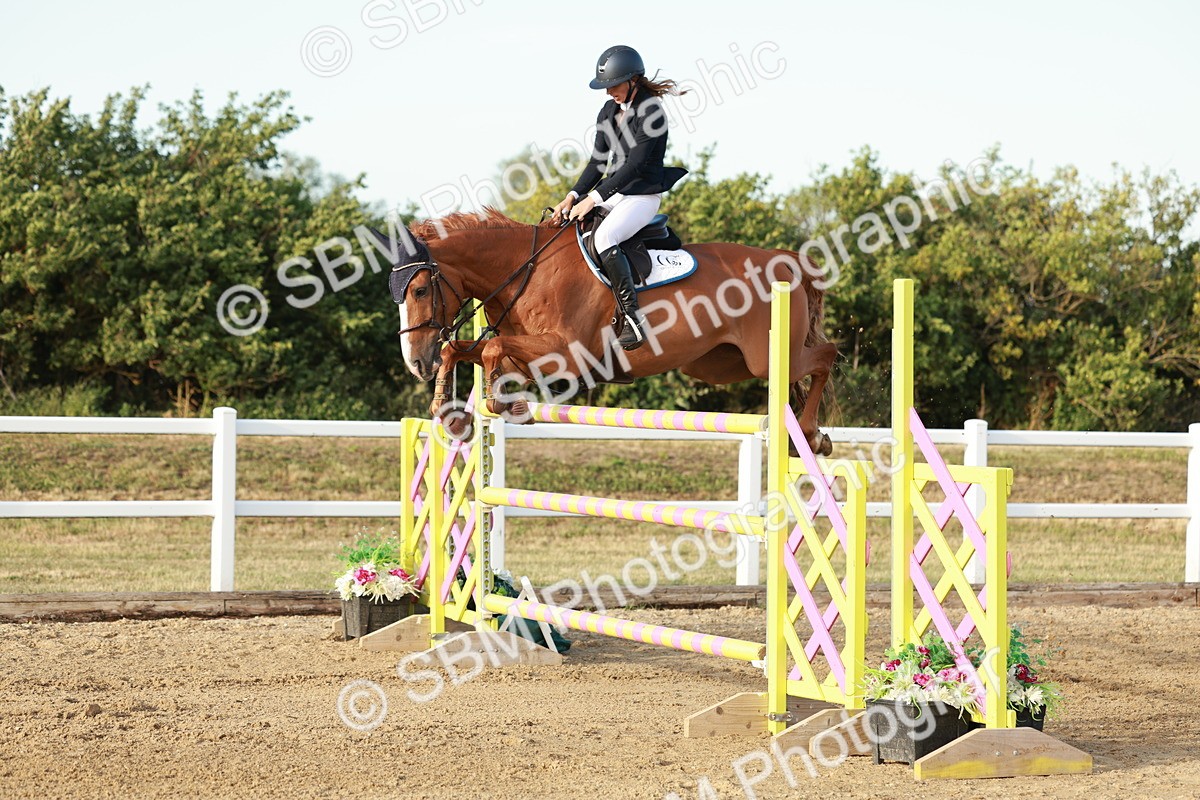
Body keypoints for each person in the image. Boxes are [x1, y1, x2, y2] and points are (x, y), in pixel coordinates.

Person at [551, 45, 688, 351]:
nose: (608, 92)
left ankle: (633, 320)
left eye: (613, 85)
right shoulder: (608, 111)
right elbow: (598, 162)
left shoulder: (651, 112)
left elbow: (635, 166)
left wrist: (594, 198)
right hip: (614, 192)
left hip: (642, 196)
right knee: (571, 230)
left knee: (604, 238)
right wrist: (573, 196)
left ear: (633, 80)